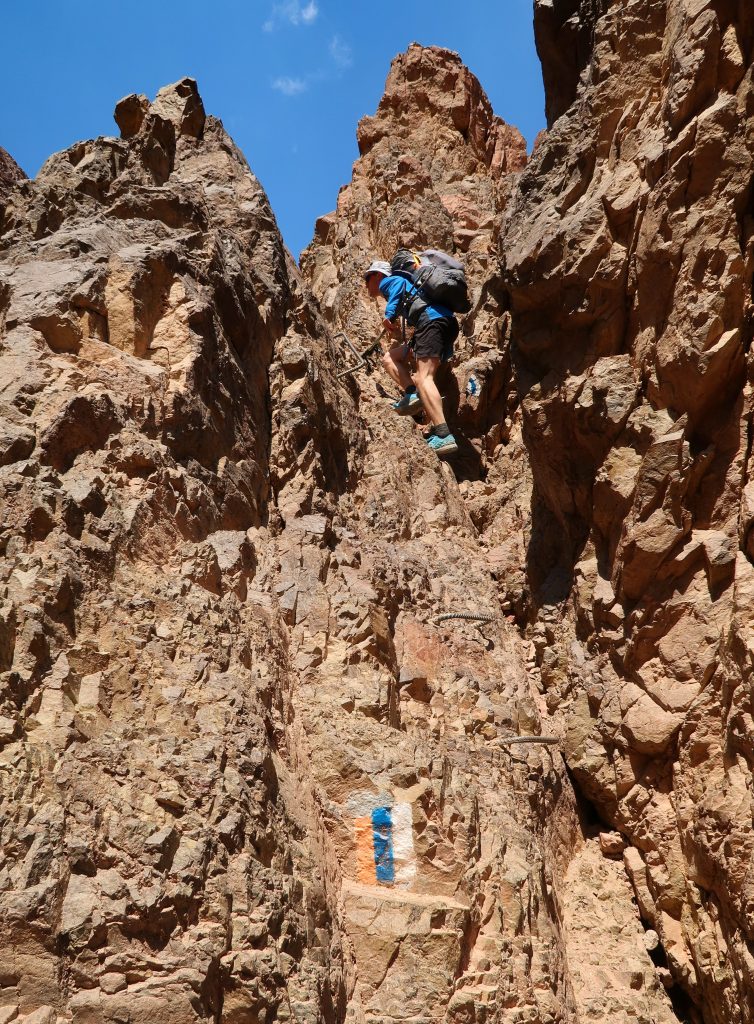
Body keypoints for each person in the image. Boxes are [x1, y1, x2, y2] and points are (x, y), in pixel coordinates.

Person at [363, 259, 459, 456]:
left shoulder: (388, 281)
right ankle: (412, 393)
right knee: (389, 358)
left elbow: (397, 284)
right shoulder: (410, 290)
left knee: (425, 378)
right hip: (441, 324)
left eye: (368, 278)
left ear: (378, 275)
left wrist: (388, 315)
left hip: (432, 322)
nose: (366, 284)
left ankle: (443, 434)